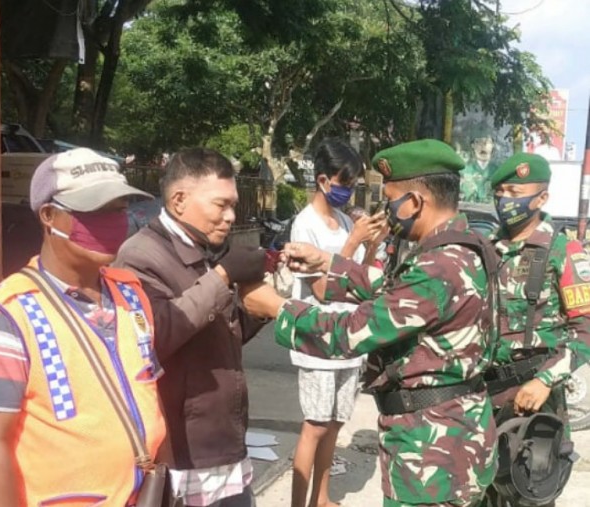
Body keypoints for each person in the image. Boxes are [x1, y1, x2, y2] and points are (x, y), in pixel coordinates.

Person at [240, 139, 498, 507]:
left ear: (414, 203)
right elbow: (396, 290)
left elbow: (350, 332)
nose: (387, 212)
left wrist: (278, 309)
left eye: (390, 200)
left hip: (432, 454)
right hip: (454, 436)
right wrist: (328, 263)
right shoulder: (462, 247)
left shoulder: (439, 264)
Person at [0, 148, 166, 506]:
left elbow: (150, 392)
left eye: (118, 208)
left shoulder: (129, 294)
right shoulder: (7, 314)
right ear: (50, 216)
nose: (114, 220)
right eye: (94, 210)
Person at [115, 147, 267, 507]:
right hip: (183, 451)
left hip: (224, 439)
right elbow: (156, 336)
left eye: (233, 205)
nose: (231, 216)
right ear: (180, 200)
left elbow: (225, 338)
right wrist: (224, 276)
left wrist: (262, 305)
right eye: (221, 204)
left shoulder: (208, 250)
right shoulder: (139, 257)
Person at [482, 153, 590, 506]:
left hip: (535, 402)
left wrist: (544, 380)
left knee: (529, 492)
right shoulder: (487, 250)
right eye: (500, 192)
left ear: (541, 198)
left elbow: (584, 329)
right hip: (485, 398)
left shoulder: (562, 249)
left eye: (515, 190)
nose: (505, 200)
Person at [289, 139, 386, 507]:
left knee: (334, 425)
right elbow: (323, 289)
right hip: (316, 340)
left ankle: (322, 497)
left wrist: (373, 242)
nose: (349, 191)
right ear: (323, 180)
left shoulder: (345, 220)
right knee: (314, 425)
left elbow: (361, 277)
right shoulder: (305, 225)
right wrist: (351, 243)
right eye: (345, 183)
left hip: (348, 339)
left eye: (354, 184)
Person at [460, 134, 499, 204]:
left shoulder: (499, 172)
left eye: (487, 142)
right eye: (478, 142)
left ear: (493, 145)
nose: (483, 146)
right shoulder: (464, 171)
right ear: (473, 145)